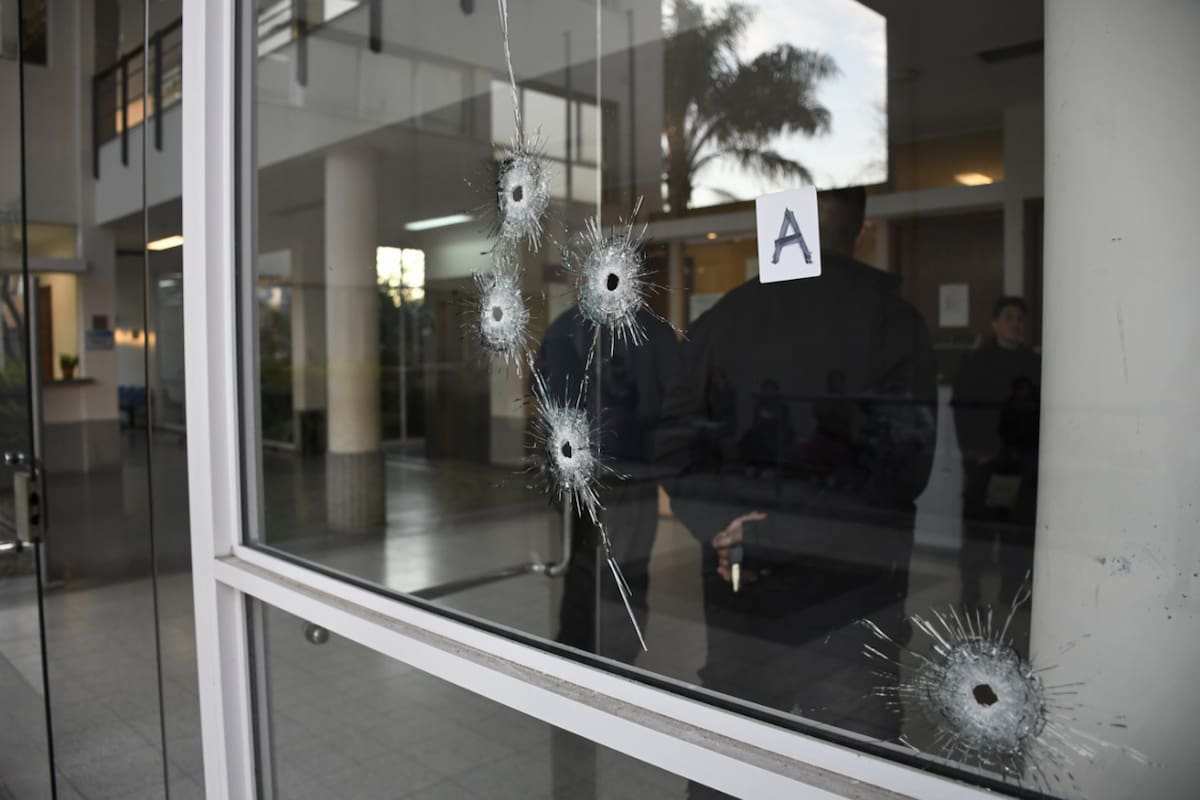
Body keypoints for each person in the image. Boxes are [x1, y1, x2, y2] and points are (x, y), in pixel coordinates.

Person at [655, 187, 937, 773]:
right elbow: (904, 464)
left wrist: (724, 526)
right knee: (847, 765)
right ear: (860, 233)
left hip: (743, 594)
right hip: (854, 593)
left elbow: (674, 443)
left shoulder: (722, 320)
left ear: (776, 228)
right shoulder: (893, 322)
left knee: (736, 751)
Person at [951, 296, 1042, 620]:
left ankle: (1013, 591)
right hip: (987, 464)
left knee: (1016, 534)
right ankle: (970, 594)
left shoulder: (1033, 363)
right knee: (979, 534)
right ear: (995, 323)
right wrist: (977, 454)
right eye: (1009, 317)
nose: (1016, 323)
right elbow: (962, 409)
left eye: (1020, 318)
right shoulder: (978, 362)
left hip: (1022, 464)